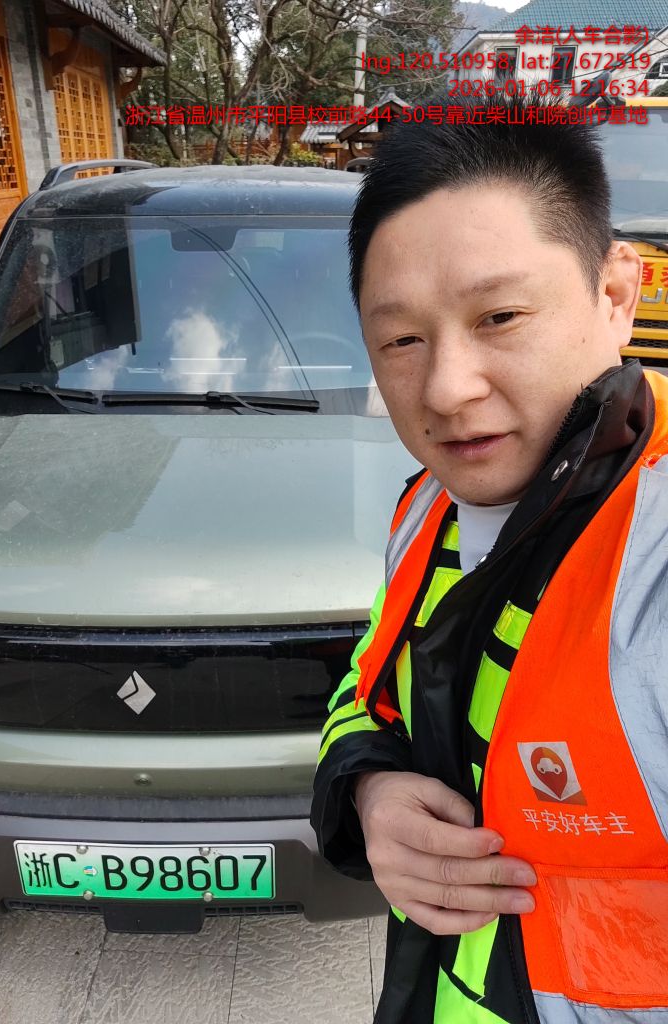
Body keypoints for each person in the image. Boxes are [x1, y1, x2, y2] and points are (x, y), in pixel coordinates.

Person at [310, 90, 668, 1024]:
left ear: (615, 294)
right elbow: (369, 684)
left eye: (500, 316)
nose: (446, 388)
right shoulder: (428, 507)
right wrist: (370, 789)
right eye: (401, 339)